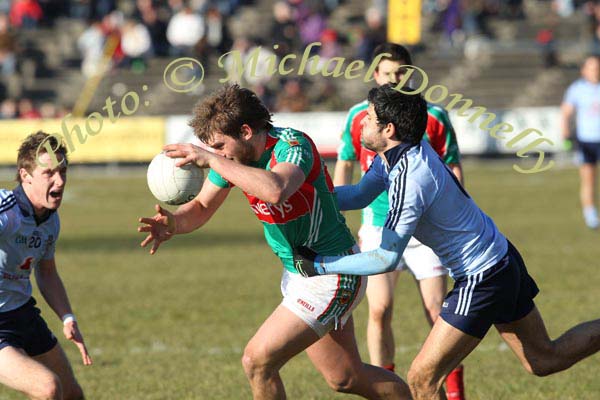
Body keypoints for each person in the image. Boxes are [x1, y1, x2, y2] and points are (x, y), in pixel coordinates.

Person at [293, 84, 600, 400]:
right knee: (543, 359)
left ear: (389, 128)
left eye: (369, 118)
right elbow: (358, 194)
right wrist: (301, 196)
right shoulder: (398, 152)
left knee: (421, 381)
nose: (362, 122)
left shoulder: (409, 178)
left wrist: (320, 265)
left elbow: (385, 258)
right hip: (499, 258)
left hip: (483, 277)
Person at [138, 84, 411, 400]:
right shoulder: (232, 159)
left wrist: (213, 160)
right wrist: (173, 223)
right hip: (301, 273)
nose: (217, 153)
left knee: (257, 361)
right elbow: (199, 208)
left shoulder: (292, 146)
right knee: (346, 378)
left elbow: (277, 189)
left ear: (245, 131)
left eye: (220, 145)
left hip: (333, 273)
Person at [334, 42, 465, 399]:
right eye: (387, 73)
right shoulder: (361, 117)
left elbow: (452, 164)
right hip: (379, 223)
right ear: (375, 75)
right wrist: (326, 205)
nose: (394, 79)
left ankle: (453, 393)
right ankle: (386, 393)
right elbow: (351, 170)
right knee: (379, 309)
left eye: (400, 73)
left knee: (439, 313)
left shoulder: (431, 117)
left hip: (425, 231)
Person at [0, 131, 92, 400]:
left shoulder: (50, 220)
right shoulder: (6, 212)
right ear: (25, 175)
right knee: (47, 387)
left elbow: (47, 271)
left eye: (63, 171)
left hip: (22, 314)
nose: (60, 181)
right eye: (49, 173)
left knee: (72, 394)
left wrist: (67, 317)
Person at [561, 54, 600, 229]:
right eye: (591, 67)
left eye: (597, 67)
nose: (595, 71)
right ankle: (590, 214)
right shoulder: (576, 89)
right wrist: (565, 133)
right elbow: (566, 112)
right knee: (588, 179)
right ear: (584, 70)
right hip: (586, 140)